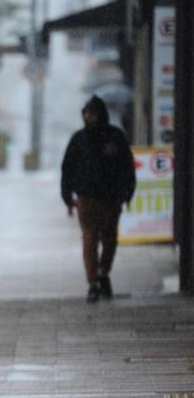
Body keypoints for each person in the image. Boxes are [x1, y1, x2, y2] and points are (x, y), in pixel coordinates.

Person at [61, 95, 136, 303]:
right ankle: (93, 281)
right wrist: (67, 196)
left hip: (111, 199)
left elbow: (127, 167)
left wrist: (127, 193)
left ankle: (103, 272)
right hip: (86, 199)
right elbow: (67, 168)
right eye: (86, 113)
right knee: (90, 239)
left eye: (92, 113)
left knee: (110, 239)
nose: (88, 117)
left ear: (101, 114)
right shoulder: (78, 140)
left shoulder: (116, 137)